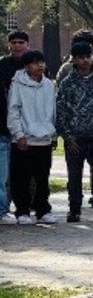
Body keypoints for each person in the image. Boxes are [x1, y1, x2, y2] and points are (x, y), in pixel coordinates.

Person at [56, 40, 93, 223]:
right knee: (74, 175)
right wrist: (68, 136)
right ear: (73, 60)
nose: (85, 61)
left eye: (88, 56)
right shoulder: (67, 83)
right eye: (81, 57)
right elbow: (61, 110)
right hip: (75, 137)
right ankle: (74, 210)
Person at [7, 49, 58, 225]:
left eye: (42, 62)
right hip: (24, 139)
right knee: (21, 177)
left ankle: (43, 210)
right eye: (36, 63)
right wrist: (19, 134)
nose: (40, 66)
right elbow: (13, 110)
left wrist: (53, 135)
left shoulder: (49, 85)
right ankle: (22, 211)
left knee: (42, 177)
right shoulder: (17, 84)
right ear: (27, 66)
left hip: (44, 139)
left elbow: (53, 110)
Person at [0, 30, 31, 224]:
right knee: (3, 173)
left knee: (25, 173)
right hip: (4, 125)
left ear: (27, 44)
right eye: (14, 42)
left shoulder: (33, 65)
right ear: (8, 45)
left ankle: (26, 208)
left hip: (28, 126)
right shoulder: (2, 66)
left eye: (21, 42)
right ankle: (3, 208)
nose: (17, 46)